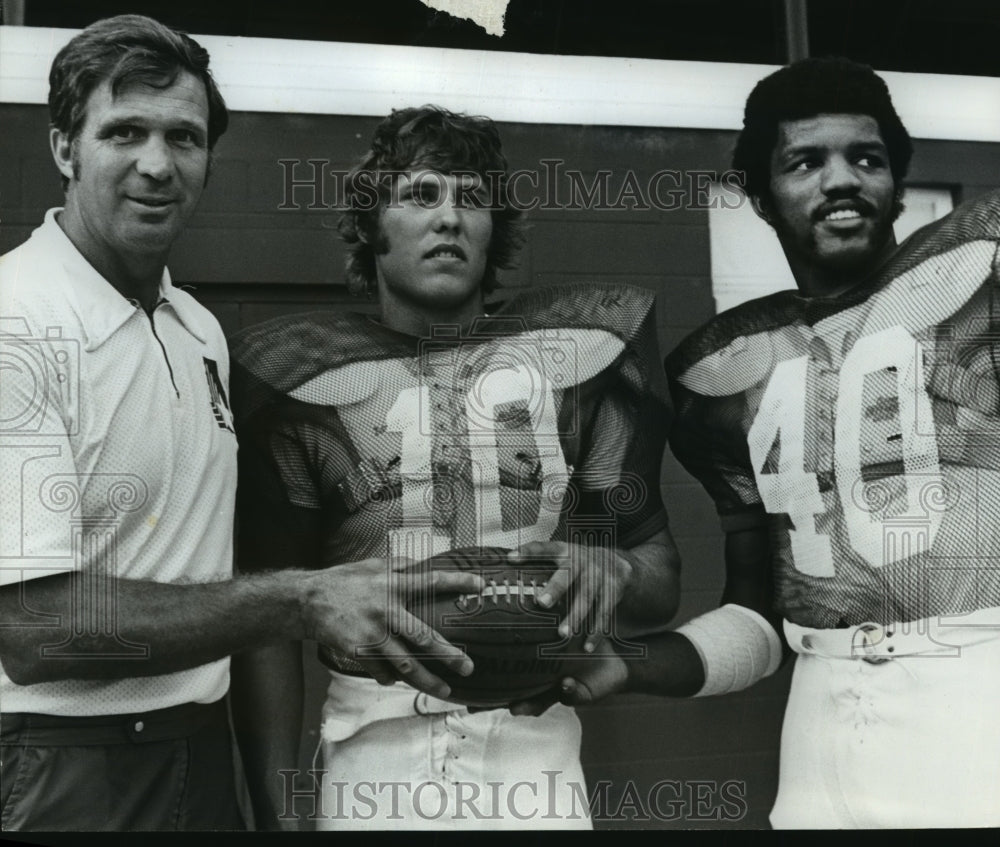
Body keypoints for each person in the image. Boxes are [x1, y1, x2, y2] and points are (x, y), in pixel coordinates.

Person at [0, 16, 480, 832]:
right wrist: (300, 600)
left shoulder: (197, 329)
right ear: (63, 148)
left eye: (184, 137)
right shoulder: (17, 320)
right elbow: (37, 629)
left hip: (199, 746)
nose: (157, 163)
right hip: (63, 761)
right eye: (124, 131)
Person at [546, 56, 1000, 829]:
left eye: (867, 158)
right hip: (820, 728)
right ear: (759, 195)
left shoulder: (977, 276)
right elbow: (758, 619)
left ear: (896, 180)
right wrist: (627, 664)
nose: (842, 179)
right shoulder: (723, 369)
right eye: (805, 161)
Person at [228, 104, 682, 830]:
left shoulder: (575, 368)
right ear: (371, 226)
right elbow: (270, 626)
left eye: (473, 199)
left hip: (537, 748)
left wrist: (616, 571)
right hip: (371, 750)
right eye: (422, 194)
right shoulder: (300, 386)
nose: (450, 218)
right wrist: (280, 813)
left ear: (495, 230)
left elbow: (659, 581)